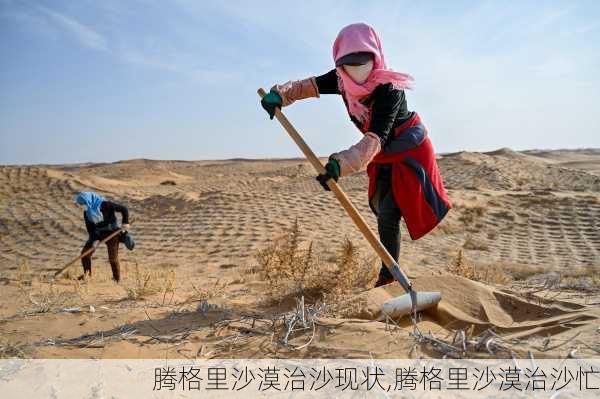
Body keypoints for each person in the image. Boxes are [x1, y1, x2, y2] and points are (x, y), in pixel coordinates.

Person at [261, 22, 452, 287]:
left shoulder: (389, 89)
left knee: (389, 210)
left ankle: (388, 278)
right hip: (382, 153)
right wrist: (280, 95)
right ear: (341, 65)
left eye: (364, 62)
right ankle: (391, 274)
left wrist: (340, 164)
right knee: (384, 211)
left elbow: (375, 137)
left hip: (408, 149)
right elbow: (308, 86)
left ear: (376, 57)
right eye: (350, 64)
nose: (358, 70)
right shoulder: (342, 79)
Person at [75, 191, 135, 282]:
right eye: (82, 204)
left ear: (89, 200)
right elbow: (90, 228)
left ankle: (116, 278)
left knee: (112, 258)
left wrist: (125, 223)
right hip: (98, 234)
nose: (84, 205)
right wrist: (94, 240)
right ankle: (87, 276)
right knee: (85, 254)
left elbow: (123, 209)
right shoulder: (87, 213)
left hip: (112, 233)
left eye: (84, 203)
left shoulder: (106, 205)